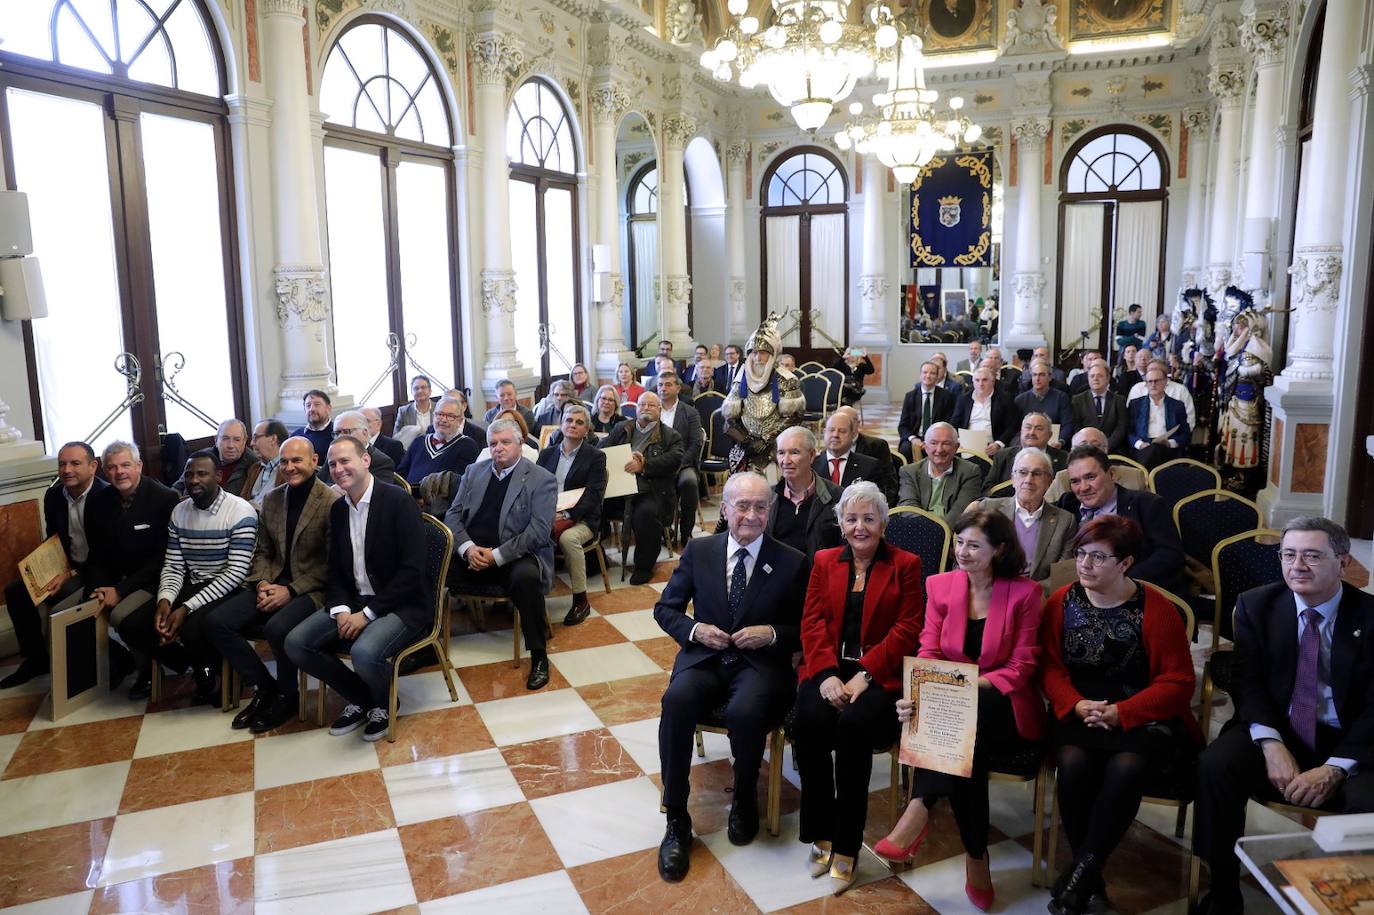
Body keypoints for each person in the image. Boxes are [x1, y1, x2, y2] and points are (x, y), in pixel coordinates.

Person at [1194, 517, 1374, 915]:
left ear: (1343, 563)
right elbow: (1248, 682)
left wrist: (1336, 767)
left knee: (1369, 802)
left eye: (1312, 555)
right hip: (1280, 726)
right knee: (1215, 765)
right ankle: (1222, 890)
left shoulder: (1370, 616)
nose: (1298, 566)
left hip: (1350, 741)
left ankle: (1349, 901)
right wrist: (1271, 743)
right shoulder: (1258, 604)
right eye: (1289, 555)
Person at [875, 510, 1044, 912]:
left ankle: (920, 806)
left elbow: (1021, 667)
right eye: (959, 542)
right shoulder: (940, 586)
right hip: (954, 711)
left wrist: (956, 691)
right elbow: (928, 650)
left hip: (1005, 704)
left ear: (999, 549)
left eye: (974, 545)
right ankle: (976, 855)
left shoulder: (1025, 593)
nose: (962, 552)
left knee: (971, 715)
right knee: (968, 746)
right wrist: (917, 694)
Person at [1039, 515, 1200, 915]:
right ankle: (1088, 879)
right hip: (1079, 709)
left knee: (1126, 768)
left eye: (1098, 557)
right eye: (1080, 554)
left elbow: (1178, 682)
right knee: (1073, 765)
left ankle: (1080, 875)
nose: (1085, 565)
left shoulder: (1155, 608)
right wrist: (1075, 704)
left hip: (1142, 713)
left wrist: (1122, 712)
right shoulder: (1062, 601)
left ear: (1126, 563)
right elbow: (1049, 667)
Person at [653, 472, 808, 881]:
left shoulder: (791, 561)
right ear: (725, 509)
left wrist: (772, 633)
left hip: (759, 666)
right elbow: (665, 609)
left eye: (760, 507)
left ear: (769, 512)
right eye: (742, 506)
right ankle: (676, 820)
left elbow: (807, 628)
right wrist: (693, 630)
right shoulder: (700, 550)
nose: (751, 516)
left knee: (745, 711)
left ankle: (744, 800)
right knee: (676, 701)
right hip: (705, 657)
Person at [793, 482, 923, 894]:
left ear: (884, 524)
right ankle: (821, 832)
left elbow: (909, 629)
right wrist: (826, 674)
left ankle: (848, 844)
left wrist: (865, 674)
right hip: (827, 667)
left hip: (880, 672)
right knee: (809, 720)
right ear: (841, 523)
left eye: (869, 518)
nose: (860, 526)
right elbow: (811, 622)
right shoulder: (825, 560)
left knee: (852, 728)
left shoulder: (906, 564)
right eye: (851, 518)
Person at [285, 437, 429, 740]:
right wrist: (339, 609)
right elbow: (335, 568)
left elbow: (412, 572)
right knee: (296, 643)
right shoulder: (338, 509)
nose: (338, 469)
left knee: (364, 653)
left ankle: (385, 704)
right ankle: (364, 698)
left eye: (345, 461)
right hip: (353, 600)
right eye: (333, 464)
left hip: (402, 603)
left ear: (365, 460)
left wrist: (366, 614)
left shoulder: (398, 502)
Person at [202, 437, 338, 733]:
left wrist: (289, 591)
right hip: (272, 580)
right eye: (285, 461)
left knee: (277, 628)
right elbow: (262, 550)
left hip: (311, 589)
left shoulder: (331, 502)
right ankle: (265, 687)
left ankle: (289, 696)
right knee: (216, 622)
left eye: (297, 461)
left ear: (314, 462)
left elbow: (331, 565)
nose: (290, 468)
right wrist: (263, 581)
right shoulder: (273, 498)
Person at [118, 450, 258, 706]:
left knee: (194, 626)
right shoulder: (180, 511)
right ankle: (195, 664)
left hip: (229, 587)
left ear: (218, 476)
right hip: (191, 583)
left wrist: (185, 608)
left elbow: (236, 573)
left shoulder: (240, 511)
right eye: (189, 474)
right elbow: (173, 564)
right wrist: (165, 600)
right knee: (133, 624)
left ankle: (219, 676)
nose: (194, 480)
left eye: (202, 474)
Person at [445, 418, 558, 689]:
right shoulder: (474, 472)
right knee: (427, 568)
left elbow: (538, 533)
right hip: (472, 552)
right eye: (493, 443)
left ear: (520, 443)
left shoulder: (542, 479)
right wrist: (468, 548)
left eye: (506, 442)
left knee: (526, 578)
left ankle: (539, 656)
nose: (499, 448)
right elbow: (453, 514)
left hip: (514, 554)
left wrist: (495, 556)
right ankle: (426, 644)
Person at [0, 442, 109, 688]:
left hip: (96, 569)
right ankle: (35, 659)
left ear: (93, 466)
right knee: (17, 591)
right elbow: (53, 538)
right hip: (67, 565)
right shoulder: (53, 496)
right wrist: (43, 568)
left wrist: (70, 573)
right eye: (62, 464)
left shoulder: (105, 497)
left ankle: (75, 667)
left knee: (64, 596)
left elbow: (106, 551)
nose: (67, 470)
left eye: (75, 463)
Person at [82, 441, 180, 698]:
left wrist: (120, 590)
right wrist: (99, 589)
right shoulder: (97, 502)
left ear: (139, 465)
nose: (119, 472)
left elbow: (164, 558)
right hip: (114, 578)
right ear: (104, 470)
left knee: (123, 616)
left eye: (126, 465)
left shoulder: (165, 498)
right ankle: (118, 664)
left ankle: (155, 668)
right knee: (78, 611)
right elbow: (97, 553)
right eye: (112, 467)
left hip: (153, 579)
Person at [1054, 445, 1186, 594]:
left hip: (1136, 593)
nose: (1083, 488)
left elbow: (1171, 556)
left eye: (1090, 477)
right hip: (1076, 595)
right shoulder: (1067, 503)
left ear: (1111, 474)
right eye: (1075, 481)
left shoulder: (1147, 504)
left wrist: (1118, 581)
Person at [599, 392, 684, 585]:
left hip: (651, 490)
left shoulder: (670, 436)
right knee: (592, 505)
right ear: (636, 409)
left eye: (651, 405)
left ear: (660, 410)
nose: (645, 408)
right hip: (619, 487)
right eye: (642, 404)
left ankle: (644, 566)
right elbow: (602, 449)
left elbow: (674, 460)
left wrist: (645, 465)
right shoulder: (622, 428)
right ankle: (594, 558)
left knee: (645, 514)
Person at [536, 404, 608, 626]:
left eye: (579, 422)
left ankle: (580, 600)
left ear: (587, 430)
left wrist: (567, 514)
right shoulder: (547, 454)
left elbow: (593, 495)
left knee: (568, 539)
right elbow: (535, 487)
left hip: (582, 518)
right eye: (569, 420)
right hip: (547, 515)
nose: (573, 425)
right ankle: (529, 596)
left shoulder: (595, 456)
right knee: (522, 531)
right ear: (561, 424)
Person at [974, 448, 1077, 586]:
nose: (1029, 480)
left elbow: (1062, 576)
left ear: (1049, 481)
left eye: (1037, 474)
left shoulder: (1065, 521)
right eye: (1022, 472)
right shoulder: (988, 509)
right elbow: (970, 558)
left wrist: (1029, 595)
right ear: (1013, 478)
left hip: (1038, 598)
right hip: (990, 592)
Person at [721, 315, 806, 473]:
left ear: (772, 354)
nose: (758, 357)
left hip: (778, 448)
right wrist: (746, 441)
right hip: (745, 449)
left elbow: (794, 416)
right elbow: (729, 417)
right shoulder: (740, 380)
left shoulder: (788, 380)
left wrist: (766, 440)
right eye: (754, 352)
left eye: (763, 352)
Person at [766, 426, 842, 556]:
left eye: (794, 452)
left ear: (812, 455)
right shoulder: (767, 497)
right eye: (781, 453)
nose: (786, 461)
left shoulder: (837, 497)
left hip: (817, 573)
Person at [898, 422, 984, 525]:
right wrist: (926, 529)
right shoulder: (909, 471)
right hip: (917, 530)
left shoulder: (970, 471)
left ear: (956, 447)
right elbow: (909, 507)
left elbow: (961, 511)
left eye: (946, 444)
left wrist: (940, 532)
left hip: (953, 533)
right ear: (925, 446)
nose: (939, 450)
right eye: (934, 443)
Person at [656, 371, 704, 549]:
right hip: (657, 464)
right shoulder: (652, 410)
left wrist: (677, 464)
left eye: (668, 384)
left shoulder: (690, 412)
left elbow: (696, 443)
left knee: (690, 482)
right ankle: (662, 528)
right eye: (660, 385)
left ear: (678, 388)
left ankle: (686, 530)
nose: (663, 388)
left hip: (683, 464)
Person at [1045, 427, 1147, 503]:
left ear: (1106, 450)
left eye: (1096, 445)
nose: (1090, 450)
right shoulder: (1062, 478)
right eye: (1083, 446)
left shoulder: (1135, 477)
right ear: (1071, 452)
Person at [833, 405, 898, 507]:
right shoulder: (828, 453)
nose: (843, 425)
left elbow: (889, 485)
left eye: (848, 420)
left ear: (857, 424)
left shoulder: (876, 447)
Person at [1128, 363, 1190, 469]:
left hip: (1167, 448)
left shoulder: (1177, 405)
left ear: (1165, 382)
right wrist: (1140, 444)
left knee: (1158, 452)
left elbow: (1186, 433)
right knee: (1152, 452)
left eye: (1156, 381)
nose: (1153, 385)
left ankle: (1149, 481)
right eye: (1149, 381)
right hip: (1143, 446)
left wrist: (1170, 443)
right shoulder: (1135, 404)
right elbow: (1129, 431)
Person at [985, 413, 1068, 490]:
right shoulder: (1002, 456)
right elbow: (988, 489)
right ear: (1021, 432)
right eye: (1028, 427)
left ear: (1049, 435)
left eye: (1039, 429)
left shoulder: (1064, 459)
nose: (1032, 432)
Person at [950, 366, 1019, 455]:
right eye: (977, 380)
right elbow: (954, 423)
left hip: (992, 446)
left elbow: (1011, 426)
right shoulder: (964, 399)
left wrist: (998, 444)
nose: (980, 384)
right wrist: (958, 440)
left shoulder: (1005, 399)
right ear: (973, 382)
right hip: (966, 446)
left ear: (993, 381)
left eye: (984, 380)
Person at [898, 361, 957, 463]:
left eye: (932, 373)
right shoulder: (910, 396)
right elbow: (903, 426)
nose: (928, 376)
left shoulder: (946, 396)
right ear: (920, 375)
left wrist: (934, 440)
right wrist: (913, 439)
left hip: (938, 438)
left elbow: (948, 423)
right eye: (925, 372)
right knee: (905, 449)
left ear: (937, 376)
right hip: (916, 437)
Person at [325, 410, 398, 485]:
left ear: (365, 433)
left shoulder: (381, 461)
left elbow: (379, 493)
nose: (340, 437)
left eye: (346, 432)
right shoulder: (334, 456)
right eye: (337, 433)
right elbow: (319, 482)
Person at [1014, 360, 1075, 448]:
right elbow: (1015, 429)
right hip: (1027, 445)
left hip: (1054, 444)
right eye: (1034, 375)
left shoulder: (1061, 397)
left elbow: (1068, 424)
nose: (1037, 378)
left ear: (1050, 377)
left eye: (1042, 375)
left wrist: (1061, 441)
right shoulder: (1020, 400)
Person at [1070, 362, 1128, 454]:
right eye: (1092, 376)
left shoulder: (1119, 400)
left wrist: (1105, 446)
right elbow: (1075, 426)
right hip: (1084, 449)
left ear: (1108, 378)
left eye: (1099, 376)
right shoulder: (1077, 400)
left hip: (1113, 449)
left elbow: (1121, 427)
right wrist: (1086, 445)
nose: (1095, 379)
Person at [1125, 358, 1197, 429]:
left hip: (1172, 438)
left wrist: (1177, 439)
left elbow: (1190, 419)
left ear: (1165, 373)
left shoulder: (1180, 390)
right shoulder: (1137, 388)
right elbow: (1129, 418)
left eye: (1156, 370)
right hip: (1142, 437)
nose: (1153, 374)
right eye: (1150, 370)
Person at [244, 419, 289, 506]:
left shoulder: (289, 469)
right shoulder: (255, 468)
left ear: (273, 439)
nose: (252, 443)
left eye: (256, 438)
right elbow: (242, 499)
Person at [292, 390, 334, 458]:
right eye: (308, 405)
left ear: (328, 408)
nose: (312, 409)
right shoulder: (296, 436)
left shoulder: (337, 433)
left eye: (317, 405)